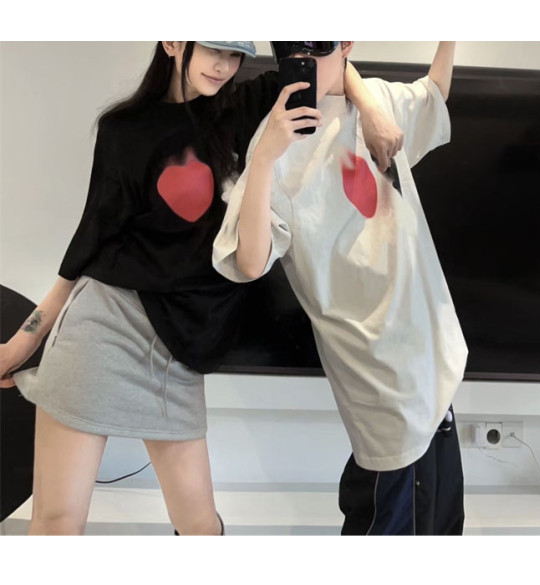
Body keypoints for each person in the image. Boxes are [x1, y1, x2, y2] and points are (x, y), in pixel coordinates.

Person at [0, 41, 401, 536]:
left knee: (200, 529)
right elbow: (90, 241)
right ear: (173, 41)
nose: (224, 66)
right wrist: (26, 339)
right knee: (57, 522)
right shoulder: (123, 129)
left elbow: (330, 69)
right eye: (213, 48)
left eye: (235, 54)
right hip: (103, 329)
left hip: (182, 349)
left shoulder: (245, 107)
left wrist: (373, 111)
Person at [213, 41, 468, 535]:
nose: (301, 59)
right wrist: (264, 158)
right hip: (374, 372)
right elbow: (248, 262)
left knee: (439, 527)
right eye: (288, 47)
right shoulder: (276, 142)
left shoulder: (377, 103)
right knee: (386, 524)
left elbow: (434, 94)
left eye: (316, 45)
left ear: (346, 43)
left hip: (431, 360)